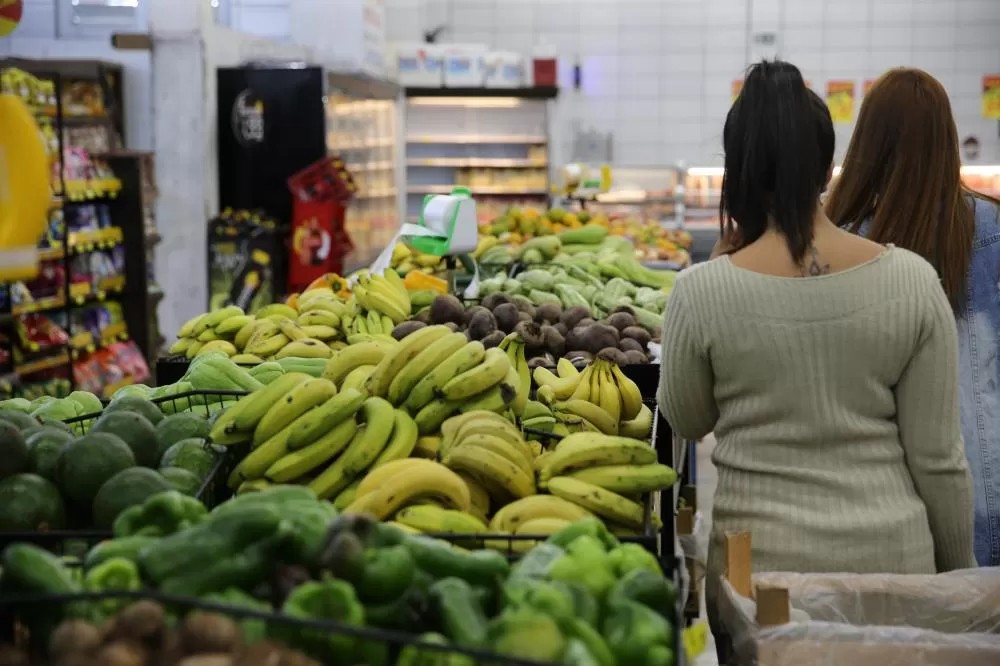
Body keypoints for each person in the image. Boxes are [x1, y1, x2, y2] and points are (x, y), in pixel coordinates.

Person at [658, 60, 975, 657]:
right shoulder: (911, 281)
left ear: (736, 171)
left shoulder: (701, 292)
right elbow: (938, 460)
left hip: (757, 575)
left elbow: (687, 416)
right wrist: (960, 580)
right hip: (894, 570)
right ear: (828, 168)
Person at [826, 67, 1000, 567]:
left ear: (867, 143)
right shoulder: (989, 227)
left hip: (874, 498)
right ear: (947, 141)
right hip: (982, 483)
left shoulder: (839, 237)